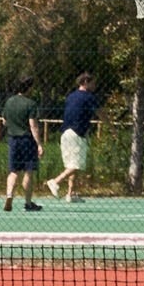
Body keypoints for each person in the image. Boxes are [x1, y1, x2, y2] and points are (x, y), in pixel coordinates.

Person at [45, 74, 97, 202]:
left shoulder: (70, 96)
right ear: (85, 82)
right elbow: (100, 112)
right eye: (92, 83)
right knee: (76, 165)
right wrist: (111, 126)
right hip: (76, 133)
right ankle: (55, 181)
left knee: (71, 164)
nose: (95, 85)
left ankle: (70, 193)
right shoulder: (89, 97)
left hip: (65, 133)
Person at [0, 81, 44, 212]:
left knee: (13, 171)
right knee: (28, 171)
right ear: (28, 88)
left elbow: (4, 121)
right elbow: (33, 125)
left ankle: (9, 195)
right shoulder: (31, 104)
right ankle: (28, 203)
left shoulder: (9, 102)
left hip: (13, 139)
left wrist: (14, 126)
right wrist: (39, 144)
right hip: (27, 140)